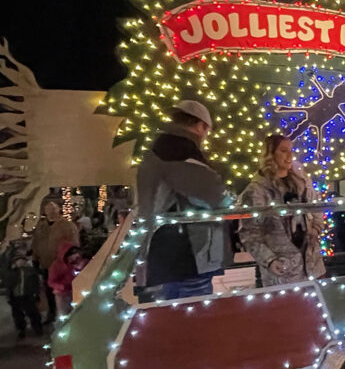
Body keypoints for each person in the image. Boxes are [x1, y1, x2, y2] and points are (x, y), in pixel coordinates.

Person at [136, 100, 232, 302]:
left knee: (168, 316)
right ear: (200, 126)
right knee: (192, 316)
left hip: (161, 252)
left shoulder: (157, 151)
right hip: (186, 254)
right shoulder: (182, 153)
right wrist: (228, 196)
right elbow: (217, 197)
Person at [238, 134, 326, 287]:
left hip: (311, 265)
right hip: (282, 269)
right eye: (284, 151)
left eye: (291, 150)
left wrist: (316, 229)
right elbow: (250, 233)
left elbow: (317, 207)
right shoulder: (256, 191)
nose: (290, 155)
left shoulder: (302, 183)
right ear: (271, 155)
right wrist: (269, 260)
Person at [31, 200, 79, 325]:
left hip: (62, 265)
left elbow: (74, 243)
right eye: (48, 209)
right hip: (46, 263)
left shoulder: (67, 226)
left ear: (58, 210)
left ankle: (66, 314)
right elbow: (36, 243)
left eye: (53, 209)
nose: (50, 212)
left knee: (63, 291)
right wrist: (35, 258)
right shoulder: (41, 227)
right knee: (48, 290)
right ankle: (52, 313)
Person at [0, 237, 43, 339]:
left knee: (33, 312)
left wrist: (36, 294)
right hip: (15, 296)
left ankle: (37, 327)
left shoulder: (30, 271)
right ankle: (21, 329)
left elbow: (35, 282)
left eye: (22, 260)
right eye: (18, 261)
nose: (21, 263)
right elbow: (5, 278)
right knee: (18, 314)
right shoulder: (11, 272)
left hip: (28, 295)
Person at [47, 243, 87, 319]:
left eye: (76, 253)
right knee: (64, 315)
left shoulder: (82, 262)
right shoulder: (57, 266)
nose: (75, 257)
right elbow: (51, 282)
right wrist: (62, 287)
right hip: (63, 294)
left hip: (79, 291)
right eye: (72, 254)